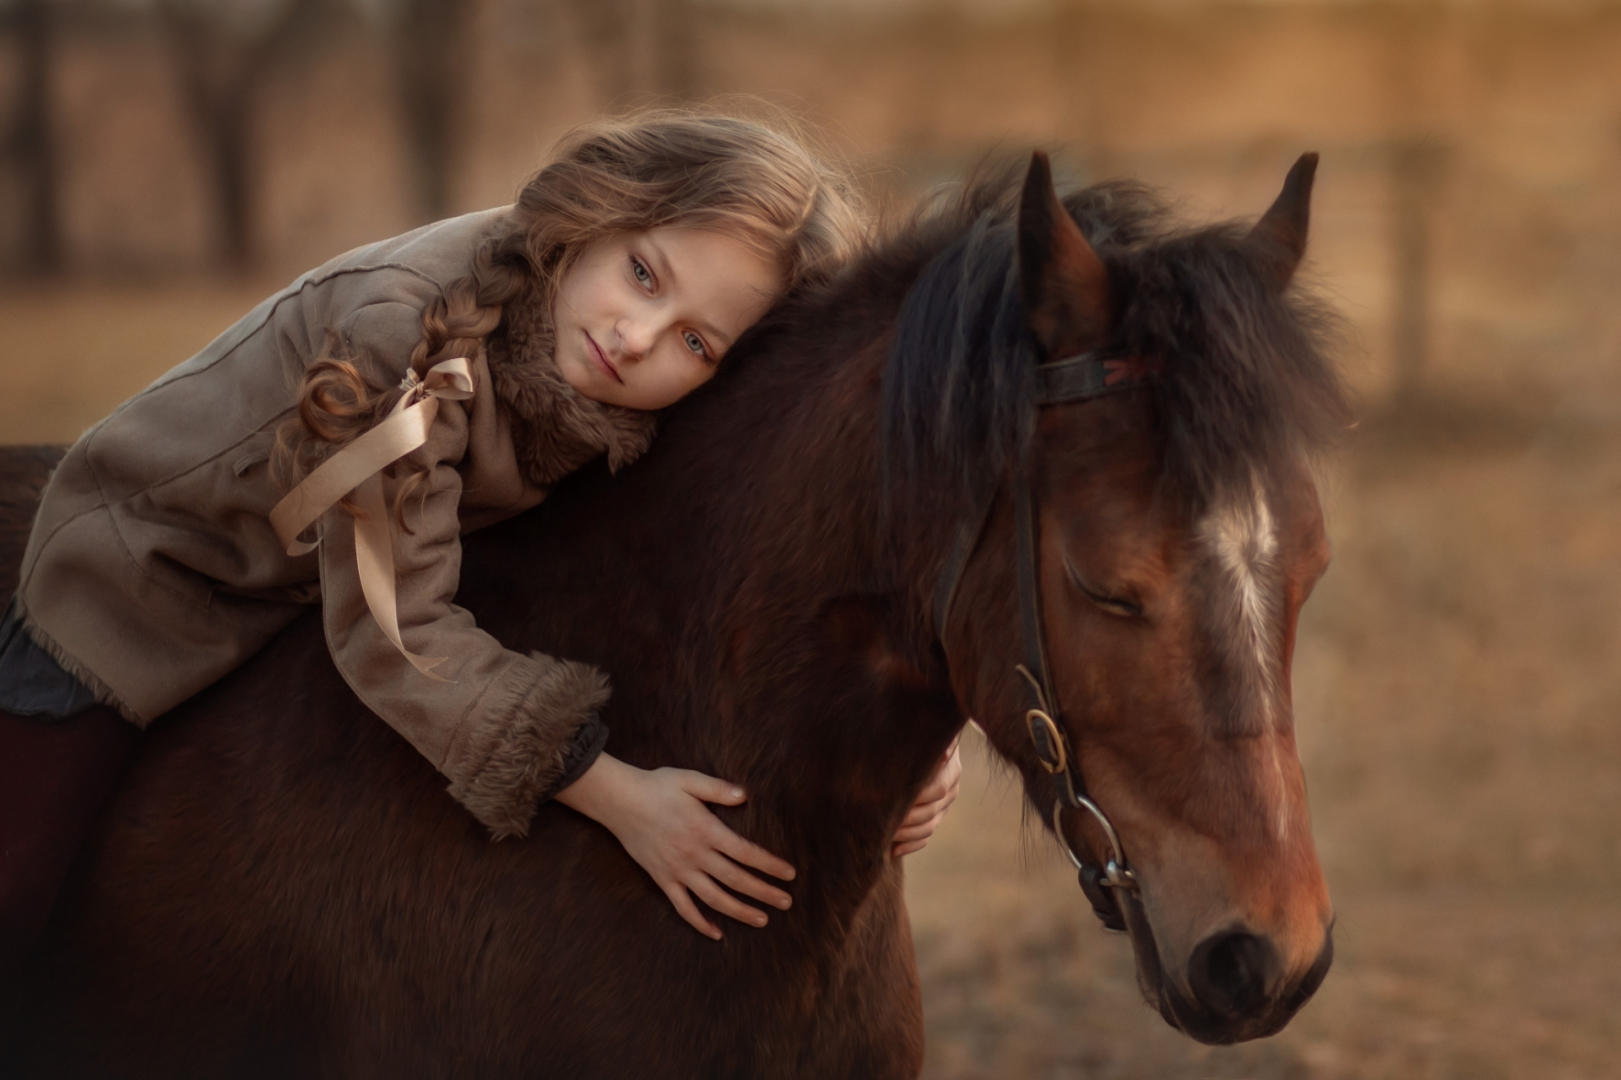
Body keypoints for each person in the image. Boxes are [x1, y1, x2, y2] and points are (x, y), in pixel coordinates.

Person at [0, 111, 963, 967]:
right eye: (642, 274)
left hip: (320, 586)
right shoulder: (403, 350)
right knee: (22, 892)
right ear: (603, 209)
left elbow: (776, 547)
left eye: (697, 341)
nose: (636, 337)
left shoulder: (613, 368)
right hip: (151, 573)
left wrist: (909, 735)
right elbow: (391, 627)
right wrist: (616, 793)